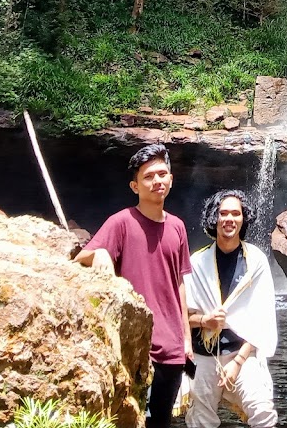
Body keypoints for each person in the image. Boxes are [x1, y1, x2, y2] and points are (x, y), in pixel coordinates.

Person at [74, 144, 193, 428]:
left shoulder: (177, 227)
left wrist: (186, 339)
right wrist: (99, 253)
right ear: (135, 185)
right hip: (136, 346)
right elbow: (79, 259)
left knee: (162, 421)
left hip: (172, 349)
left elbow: (179, 284)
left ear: (171, 180)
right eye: (149, 176)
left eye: (162, 174)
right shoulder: (121, 223)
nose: (157, 181)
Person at [184, 189, 278, 428]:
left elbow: (262, 319)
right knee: (199, 420)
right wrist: (206, 320)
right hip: (203, 355)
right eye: (223, 213)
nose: (229, 219)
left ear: (243, 219)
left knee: (262, 411)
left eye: (235, 214)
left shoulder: (256, 260)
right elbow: (181, 315)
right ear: (213, 218)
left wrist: (238, 362)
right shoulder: (196, 262)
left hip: (242, 353)